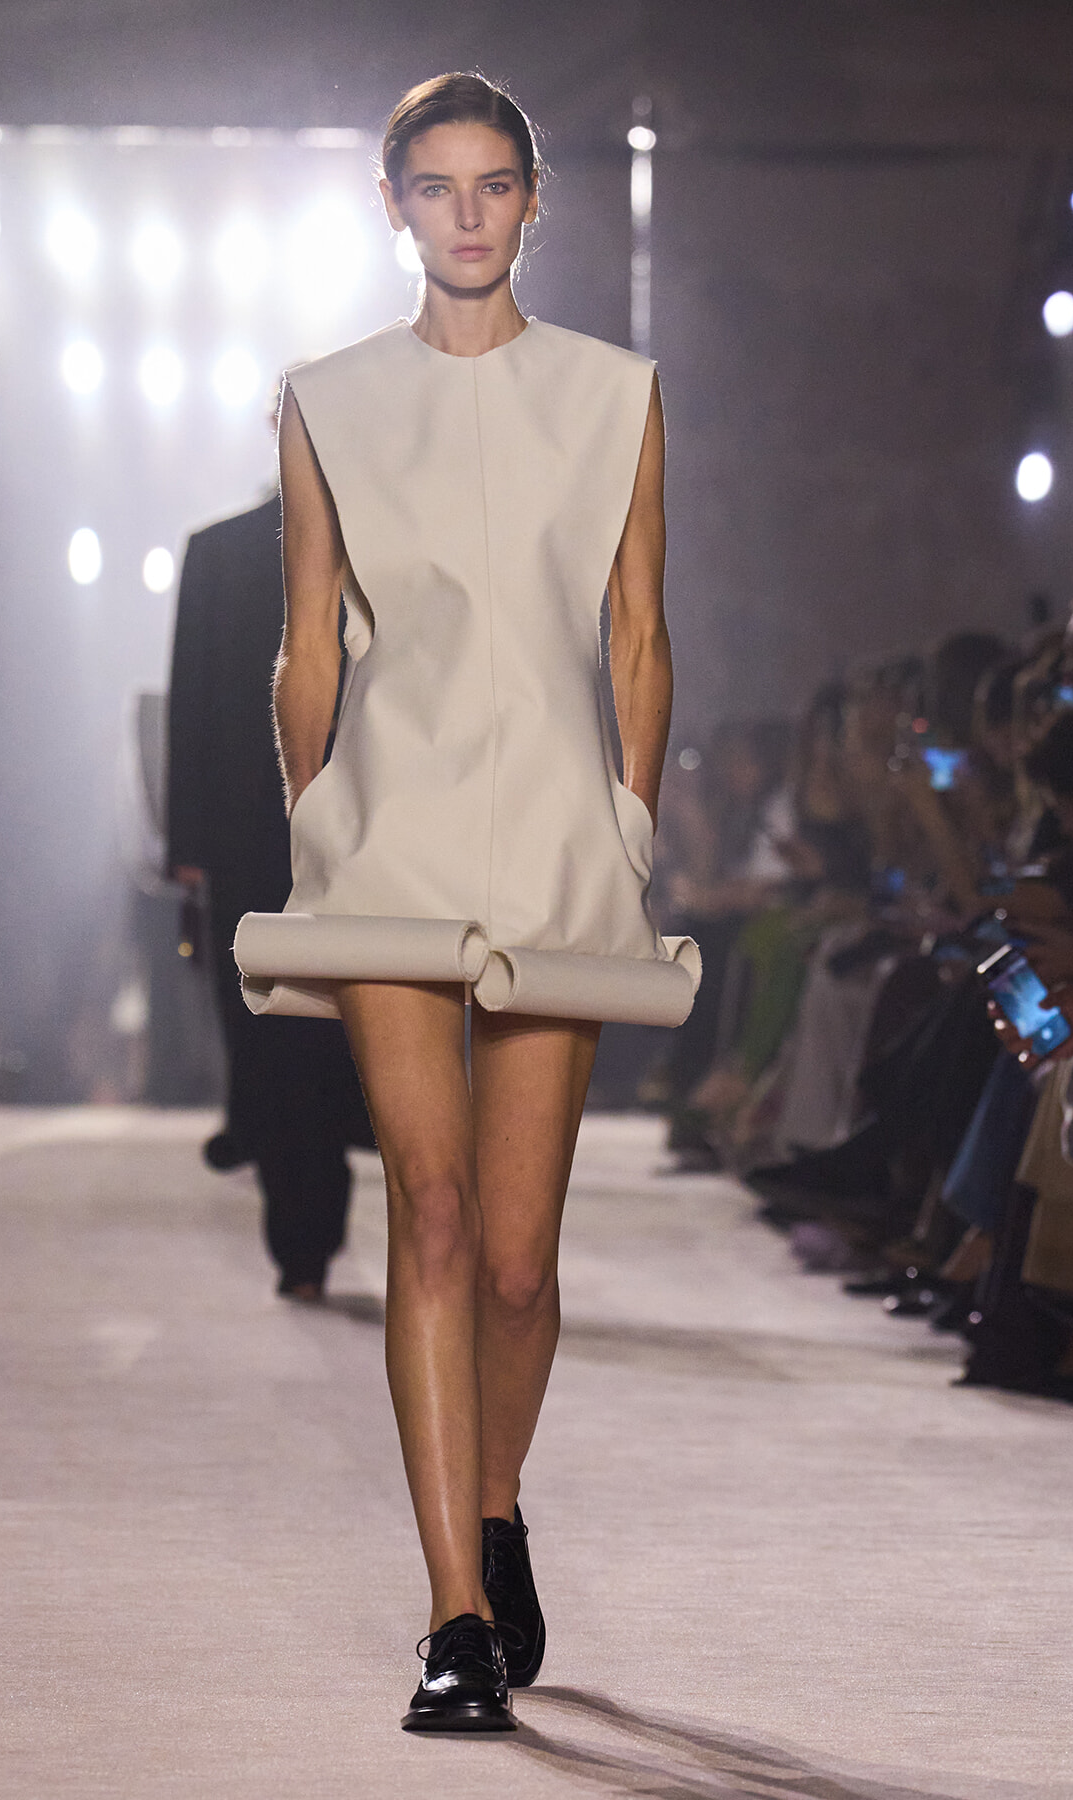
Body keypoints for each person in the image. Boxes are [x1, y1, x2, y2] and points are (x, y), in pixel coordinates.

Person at [260, 73, 696, 1731]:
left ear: (533, 203)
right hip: (392, 838)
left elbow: (640, 635)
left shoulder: (617, 394)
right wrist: (315, 834)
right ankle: (453, 1615)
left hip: (562, 845)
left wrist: (630, 828)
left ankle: (498, 1504)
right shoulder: (325, 398)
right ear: (395, 205)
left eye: (492, 184)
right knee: (429, 1218)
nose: (463, 212)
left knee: (518, 1259)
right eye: (434, 185)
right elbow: (309, 641)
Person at [165, 462, 369, 1301]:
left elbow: (190, 706)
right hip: (347, 821)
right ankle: (307, 1211)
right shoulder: (370, 547)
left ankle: (299, 1224)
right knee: (317, 1021)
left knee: (279, 1021)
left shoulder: (220, 551)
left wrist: (189, 842)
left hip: (258, 829)